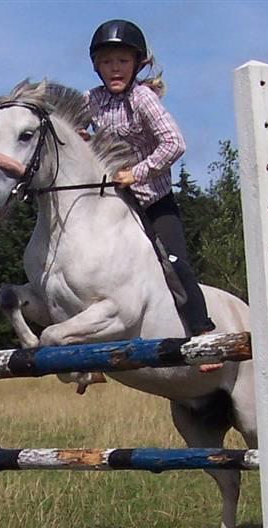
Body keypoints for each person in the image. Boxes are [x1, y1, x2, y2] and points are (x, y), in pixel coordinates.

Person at [84, 19, 222, 373]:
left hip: (153, 201)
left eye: (123, 61)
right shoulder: (91, 100)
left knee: (175, 263)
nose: (115, 69)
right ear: (96, 66)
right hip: (115, 204)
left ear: (137, 64)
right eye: (107, 62)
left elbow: (175, 143)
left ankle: (203, 334)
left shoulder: (142, 97)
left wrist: (137, 172)